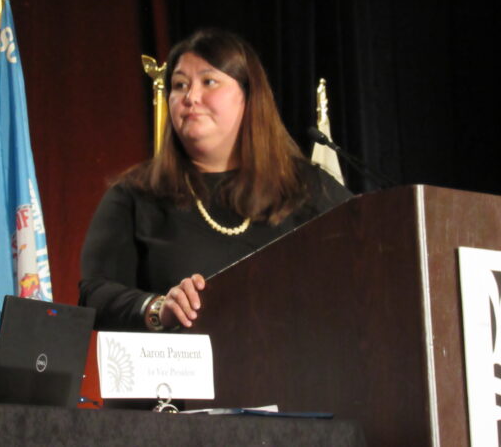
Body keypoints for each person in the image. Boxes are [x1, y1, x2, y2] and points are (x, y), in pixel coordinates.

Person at [79, 28, 352, 332]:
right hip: (179, 376)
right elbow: (94, 295)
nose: (191, 97)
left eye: (209, 81)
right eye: (179, 85)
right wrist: (157, 308)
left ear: (249, 97)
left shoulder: (305, 188)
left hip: (294, 372)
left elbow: (368, 256)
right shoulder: (136, 195)